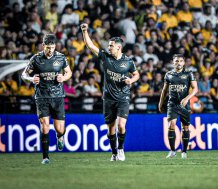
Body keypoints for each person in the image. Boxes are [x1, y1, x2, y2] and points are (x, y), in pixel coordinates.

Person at [80, 23, 140, 161]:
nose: (109, 47)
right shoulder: (106, 57)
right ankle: (114, 152)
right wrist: (85, 31)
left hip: (123, 97)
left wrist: (131, 80)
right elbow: (90, 46)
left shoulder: (128, 62)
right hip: (108, 98)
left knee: (121, 125)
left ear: (119, 47)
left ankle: (120, 149)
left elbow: (136, 75)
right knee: (111, 129)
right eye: (109, 45)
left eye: (111, 45)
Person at [21, 34, 72, 164]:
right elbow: (24, 75)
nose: (50, 51)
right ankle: (45, 157)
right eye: (48, 48)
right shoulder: (36, 59)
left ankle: (60, 136)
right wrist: (31, 79)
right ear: (43, 46)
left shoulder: (60, 57)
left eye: (53, 48)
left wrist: (64, 78)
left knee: (59, 129)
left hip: (58, 97)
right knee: (45, 126)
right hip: (42, 97)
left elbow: (69, 72)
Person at [158, 54, 198, 159]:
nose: (178, 63)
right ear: (173, 62)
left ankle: (184, 151)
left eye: (180, 61)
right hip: (172, 104)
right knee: (171, 125)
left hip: (184, 104)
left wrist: (187, 99)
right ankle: (172, 151)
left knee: (185, 127)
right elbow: (165, 90)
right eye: (176, 61)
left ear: (184, 63)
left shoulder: (189, 74)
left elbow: (195, 89)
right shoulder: (168, 74)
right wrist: (160, 102)